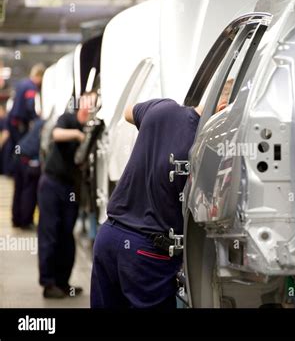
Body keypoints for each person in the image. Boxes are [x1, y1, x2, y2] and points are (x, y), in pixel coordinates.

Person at [90, 80, 233, 309]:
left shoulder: (162, 108)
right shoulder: (204, 149)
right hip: (146, 255)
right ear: (222, 107)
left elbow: (128, 113)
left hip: (108, 238)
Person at [37, 104, 87, 299]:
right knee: (50, 233)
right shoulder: (68, 119)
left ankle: (63, 282)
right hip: (52, 182)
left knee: (67, 235)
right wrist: (77, 134)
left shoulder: (93, 128)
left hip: (70, 187)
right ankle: (48, 283)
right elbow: (57, 134)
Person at [11, 116, 44, 228]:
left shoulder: (39, 122)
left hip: (18, 154)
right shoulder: (47, 126)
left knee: (18, 189)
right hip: (27, 159)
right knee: (29, 190)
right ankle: (25, 221)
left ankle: (16, 220)